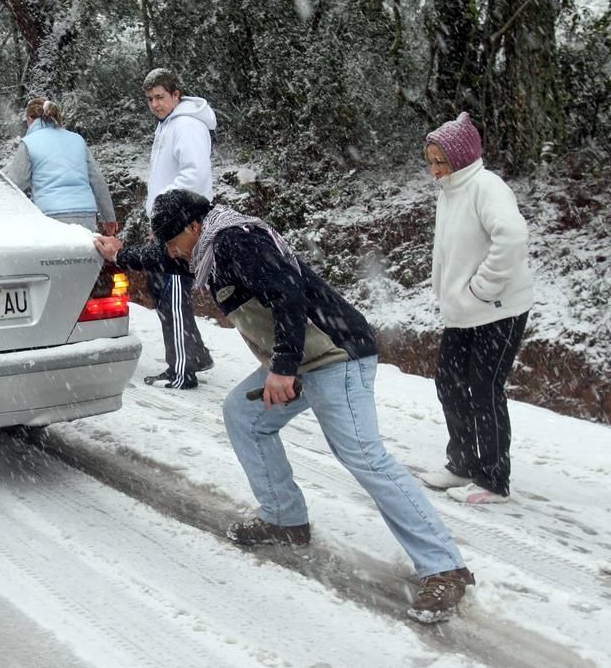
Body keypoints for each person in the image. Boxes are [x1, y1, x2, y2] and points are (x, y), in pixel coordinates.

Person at [94, 189, 476, 622]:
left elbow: (289, 295)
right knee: (244, 415)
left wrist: (284, 369)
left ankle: (446, 568)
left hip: (335, 354)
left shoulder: (237, 240)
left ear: (194, 227)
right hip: (301, 358)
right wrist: (121, 253)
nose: (170, 251)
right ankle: (285, 520)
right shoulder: (206, 247)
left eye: (172, 240)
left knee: (364, 456)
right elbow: (169, 258)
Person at [419, 112, 533, 505]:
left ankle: (493, 478)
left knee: (484, 389)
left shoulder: (487, 186)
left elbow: (513, 238)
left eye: (440, 161)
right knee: (449, 383)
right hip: (463, 313)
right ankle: (463, 462)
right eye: (430, 161)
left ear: (461, 157)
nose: (434, 170)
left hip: (498, 311)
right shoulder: (450, 191)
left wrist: (484, 287)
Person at [139, 68, 217, 388]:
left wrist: (165, 217)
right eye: (150, 99)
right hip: (169, 222)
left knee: (171, 292)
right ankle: (193, 354)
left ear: (176, 96)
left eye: (160, 97)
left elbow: (193, 175)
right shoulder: (168, 125)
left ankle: (182, 371)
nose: (155, 104)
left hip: (181, 224)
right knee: (162, 290)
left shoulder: (186, 125)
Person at [4, 97, 118, 235]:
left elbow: (13, 185)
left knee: (58, 256)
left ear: (29, 119)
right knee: (85, 256)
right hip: (85, 215)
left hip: (51, 216)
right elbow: (97, 181)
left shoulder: (29, 143)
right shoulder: (77, 140)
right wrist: (109, 217)